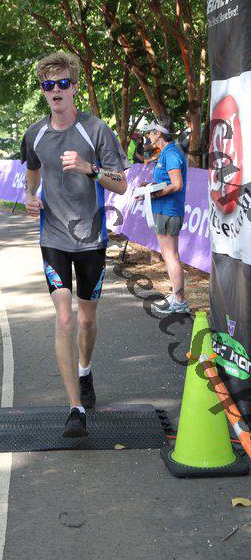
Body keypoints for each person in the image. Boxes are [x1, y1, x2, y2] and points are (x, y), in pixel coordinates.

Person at [21, 51, 128, 438]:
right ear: (43, 91)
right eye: (48, 85)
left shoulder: (95, 130)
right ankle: (75, 408)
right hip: (53, 237)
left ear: (75, 88)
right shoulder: (34, 133)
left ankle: (85, 369)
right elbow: (32, 172)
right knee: (64, 318)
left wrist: (89, 168)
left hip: (91, 239)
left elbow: (121, 184)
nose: (56, 90)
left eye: (63, 83)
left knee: (86, 320)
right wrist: (30, 196)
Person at [141, 116, 189, 314]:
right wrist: (149, 189)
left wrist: (156, 193)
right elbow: (168, 182)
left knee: (171, 256)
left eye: (150, 132)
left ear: (158, 133)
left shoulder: (171, 153)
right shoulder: (167, 152)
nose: (148, 135)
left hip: (169, 211)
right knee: (170, 256)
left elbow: (177, 184)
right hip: (165, 210)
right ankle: (177, 297)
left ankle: (179, 301)